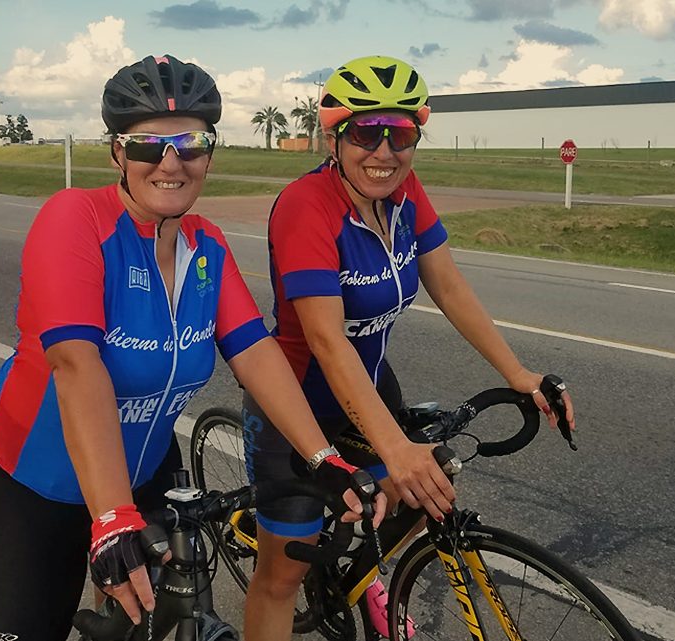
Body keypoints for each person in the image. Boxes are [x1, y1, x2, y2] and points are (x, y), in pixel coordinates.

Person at [0, 54, 383, 641]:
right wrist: (111, 517)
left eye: (190, 143)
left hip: (145, 473)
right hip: (42, 481)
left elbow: (255, 353)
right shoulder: (75, 219)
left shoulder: (206, 245)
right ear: (117, 153)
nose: (171, 162)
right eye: (147, 145)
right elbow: (76, 363)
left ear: (209, 153)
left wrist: (323, 459)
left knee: (159, 622)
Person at [243, 55, 576, 640]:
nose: (384, 151)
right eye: (366, 132)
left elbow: (447, 284)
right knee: (280, 578)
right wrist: (394, 448)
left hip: (371, 383)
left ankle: (362, 576)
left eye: (400, 135)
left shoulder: (403, 193)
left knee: (421, 493)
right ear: (335, 135)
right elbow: (325, 339)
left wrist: (520, 373)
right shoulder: (307, 206)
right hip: (296, 403)